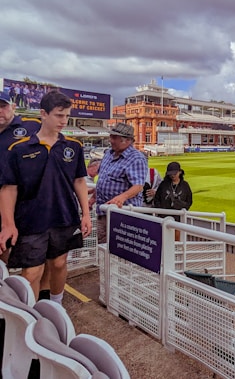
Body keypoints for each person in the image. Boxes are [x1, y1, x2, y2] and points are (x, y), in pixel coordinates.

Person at [0, 90, 92, 303]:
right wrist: (8, 224)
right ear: (43, 114)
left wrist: (85, 214)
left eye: (67, 115)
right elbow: (8, 189)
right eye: (59, 115)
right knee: (32, 272)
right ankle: (30, 317)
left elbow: (79, 181)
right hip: (31, 219)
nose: (64, 121)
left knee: (59, 264)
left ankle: (56, 305)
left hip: (64, 217)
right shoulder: (18, 149)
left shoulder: (73, 147)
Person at [0, 90, 41, 264]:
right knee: (2, 246)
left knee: (34, 252)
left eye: (3, 106)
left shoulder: (32, 126)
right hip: (2, 199)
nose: (0, 111)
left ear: (13, 107)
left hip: (26, 201)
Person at [94, 123, 147, 243]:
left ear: (126, 140)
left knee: (121, 248)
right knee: (103, 246)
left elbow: (138, 186)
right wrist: (93, 198)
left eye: (114, 138)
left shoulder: (136, 158)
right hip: (103, 211)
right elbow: (102, 179)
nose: (110, 140)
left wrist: (122, 197)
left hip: (123, 214)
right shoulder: (108, 153)